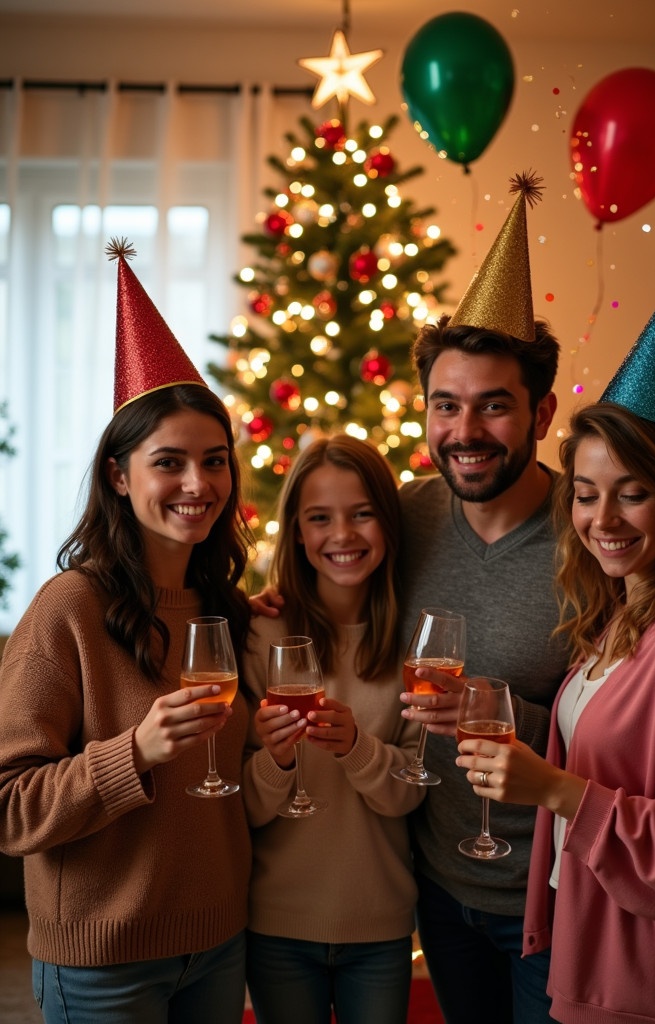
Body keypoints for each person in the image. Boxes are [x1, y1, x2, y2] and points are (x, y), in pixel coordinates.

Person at [251, 174, 571, 1022]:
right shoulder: (409, 519)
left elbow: (626, 721)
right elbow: (334, 559)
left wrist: (500, 710)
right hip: (435, 884)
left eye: (493, 407)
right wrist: (270, 599)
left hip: (554, 890)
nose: (464, 431)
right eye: (445, 405)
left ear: (540, 411)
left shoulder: (592, 539)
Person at [457, 247, 655, 1023]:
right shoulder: (624, 616)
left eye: (634, 494)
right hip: (594, 954)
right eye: (589, 494)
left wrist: (555, 790)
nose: (603, 520)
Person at [0, 240, 254, 1024]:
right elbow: (9, 807)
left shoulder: (228, 609)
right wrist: (132, 753)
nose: (197, 485)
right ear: (119, 473)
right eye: (168, 462)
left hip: (219, 943)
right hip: (103, 961)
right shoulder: (68, 609)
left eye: (214, 462)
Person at [240, 433, 425, 1024]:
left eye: (362, 514)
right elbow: (240, 805)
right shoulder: (258, 635)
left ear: (388, 525)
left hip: (380, 923)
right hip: (276, 922)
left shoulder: (416, 648)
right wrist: (278, 759)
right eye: (320, 518)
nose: (342, 535)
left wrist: (358, 748)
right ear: (297, 531)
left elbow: (411, 790)